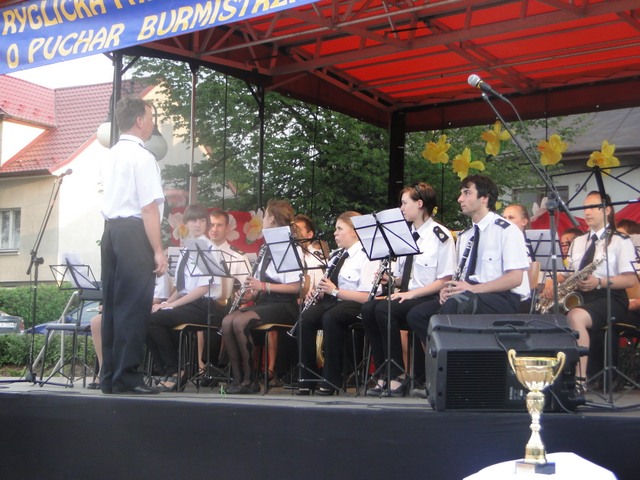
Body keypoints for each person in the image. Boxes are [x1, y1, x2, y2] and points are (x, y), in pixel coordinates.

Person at [407, 175, 530, 344]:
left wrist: (473, 289)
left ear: (484, 198)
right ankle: (443, 355)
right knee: (417, 315)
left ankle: (453, 354)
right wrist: (448, 290)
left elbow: (515, 278)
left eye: (467, 193)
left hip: (502, 297)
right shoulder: (465, 236)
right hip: (470, 296)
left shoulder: (506, 230)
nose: (460, 199)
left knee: (455, 305)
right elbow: (461, 277)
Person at [99, 96, 167, 395]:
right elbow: (148, 208)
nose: (152, 123)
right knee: (135, 305)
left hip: (111, 232)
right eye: (150, 117)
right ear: (139, 121)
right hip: (134, 234)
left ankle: (110, 376)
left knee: (113, 305)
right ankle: (127, 376)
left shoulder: (111, 154)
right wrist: (158, 249)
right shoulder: (143, 157)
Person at [360, 182, 455, 396]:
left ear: (419, 204)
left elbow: (445, 280)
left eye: (404, 203)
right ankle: (384, 371)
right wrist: (392, 279)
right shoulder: (406, 235)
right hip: (409, 294)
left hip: (429, 296)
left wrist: (410, 293)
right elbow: (408, 275)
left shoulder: (440, 236)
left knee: (385, 309)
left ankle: (398, 374)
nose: (401, 208)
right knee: (368, 308)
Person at [541, 191, 637, 382]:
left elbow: (630, 280)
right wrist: (551, 282)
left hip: (610, 297)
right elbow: (569, 273)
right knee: (547, 316)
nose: (587, 212)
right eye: (585, 208)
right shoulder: (578, 241)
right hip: (582, 296)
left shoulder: (620, 241)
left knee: (576, 316)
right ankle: (555, 375)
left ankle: (580, 379)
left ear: (607, 210)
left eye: (593, 207)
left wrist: (599, 282)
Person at [146, 204, 232, 392]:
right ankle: (171, 370)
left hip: (205, 306)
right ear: (186, 223)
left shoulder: (208, 248)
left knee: (153, 320)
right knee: (148, 317)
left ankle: (175, 372)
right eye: (193, 220)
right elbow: (182, 287)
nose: (198, 224)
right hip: (188, 303)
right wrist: (167, 303)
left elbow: (203, 287)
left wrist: (173, 305)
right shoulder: (186, 249)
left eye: (202, 220)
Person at [220, 199, 303, 394]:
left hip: (285, 305)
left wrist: (263, 286)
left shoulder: (289, 247)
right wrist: (250, 292)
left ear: (272, 218)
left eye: (265, 216)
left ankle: (250, 380)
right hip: (266, 302)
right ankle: (238, 378)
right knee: (227, 321)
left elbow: (296, 287)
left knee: (240, 322)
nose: (263, 219)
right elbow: (259, 286)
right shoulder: (266, 247)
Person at [296, 211, 379, 396]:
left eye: (340, 229)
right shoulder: (337, 255)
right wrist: (318, 293)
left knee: (331, 318)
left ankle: (331, 378)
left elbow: (367, 296)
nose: (335, 233)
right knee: (306, 317)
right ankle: (307, 378)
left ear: (355, 232)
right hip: (333, 301)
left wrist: (334, 291)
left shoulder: (367, 255)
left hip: (355, 303)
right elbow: (329, 287)